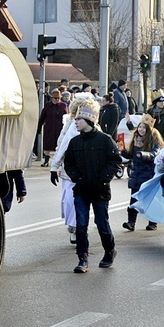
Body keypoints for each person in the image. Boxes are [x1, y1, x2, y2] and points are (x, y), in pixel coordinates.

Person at [63, 96, 122, 272]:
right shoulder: (75, 142)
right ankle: (83, 259)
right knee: (81, 225)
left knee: (102, 223)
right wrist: (76, 177)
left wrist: (103, 178)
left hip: (100, 190)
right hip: (81, 189)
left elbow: (115, 161)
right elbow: (69, 163)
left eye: (79, 119)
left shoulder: (104, 140)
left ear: (88, 120)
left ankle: (109, 251)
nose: (76, 122)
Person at [50, 93, 94, 245]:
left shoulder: (95, 127)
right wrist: (54, 167)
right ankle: (73, 226)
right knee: (68, 200)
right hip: (70, 171)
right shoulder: (69, 125)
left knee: (82, 201)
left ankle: (80, 228)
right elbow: (61, 144)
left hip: (87, 171)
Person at [121, 114, 164, 232]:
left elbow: (154, 154)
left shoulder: (154, 141)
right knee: (134, 200)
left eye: (144, 128)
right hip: (136, 174)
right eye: (140, 127)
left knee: (150, 200)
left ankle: (152, 222)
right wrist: (121, 150)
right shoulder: (135, 140)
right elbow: (130, 155)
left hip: (149, 175)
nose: (141, 130)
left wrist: (143, 154)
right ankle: (131, 222)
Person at [38, 88, 68, 167]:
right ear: (52, 98)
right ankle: (46, 161)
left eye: (58, 98)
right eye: (55, 98)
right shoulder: (48, 105)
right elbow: (42, 117)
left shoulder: (63, 105)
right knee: (47, 145)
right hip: (49, 128)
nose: (57, 100)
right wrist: (39, 128)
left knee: (60, 145)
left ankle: (60, 161)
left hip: (59, 128)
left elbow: (66, 117)